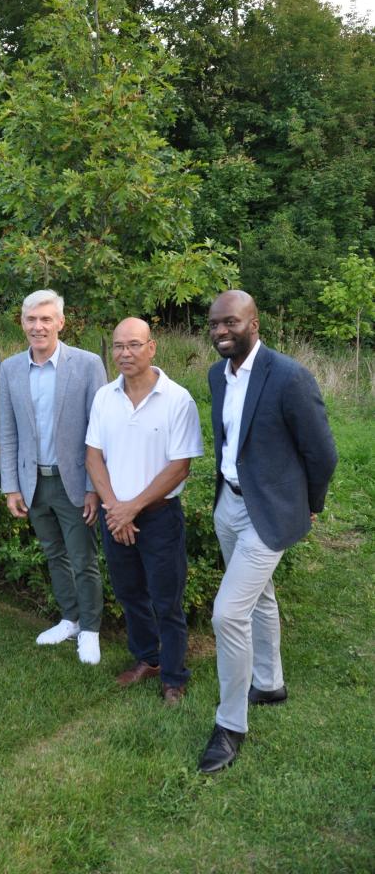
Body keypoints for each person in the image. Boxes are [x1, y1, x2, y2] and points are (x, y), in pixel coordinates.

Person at [198, 289, 338, 773]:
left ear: (254, 324)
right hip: (230, 505)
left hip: (272, 513)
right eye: (214, 323)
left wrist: (310, 506)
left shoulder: (289, 377)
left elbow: (323, 453)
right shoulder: (218, 375)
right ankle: (270, 682)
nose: (220, 331)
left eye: (230, 323)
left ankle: (230, 725)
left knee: (227, 614)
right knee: (260, 598)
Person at [86, 317, 204, 704]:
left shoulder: (177, 399)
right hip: (115, 514)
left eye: (134, 345)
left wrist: (131, 509)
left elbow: (179, 467)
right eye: (119, 346)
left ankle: (173, 676)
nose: (125, 353)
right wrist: (114, 509)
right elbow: (93, 457)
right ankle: (147, 659)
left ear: (152, 347)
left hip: (158, 518)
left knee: (166, 599)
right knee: (129, 592)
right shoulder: (105, 397)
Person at [0, 290, 106, 664]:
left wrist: (95, 487)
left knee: (83, 558)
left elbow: (99, 430)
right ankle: (70, 619)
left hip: (74, 482)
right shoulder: (10, 368)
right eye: (31, 319)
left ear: (61, 322)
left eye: (46, 319)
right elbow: (8, 429)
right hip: (33, 483)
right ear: (23, 322)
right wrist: (10, 484)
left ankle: (91, 629)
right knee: (54, 553)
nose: (38, 326)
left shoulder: (88, 364)